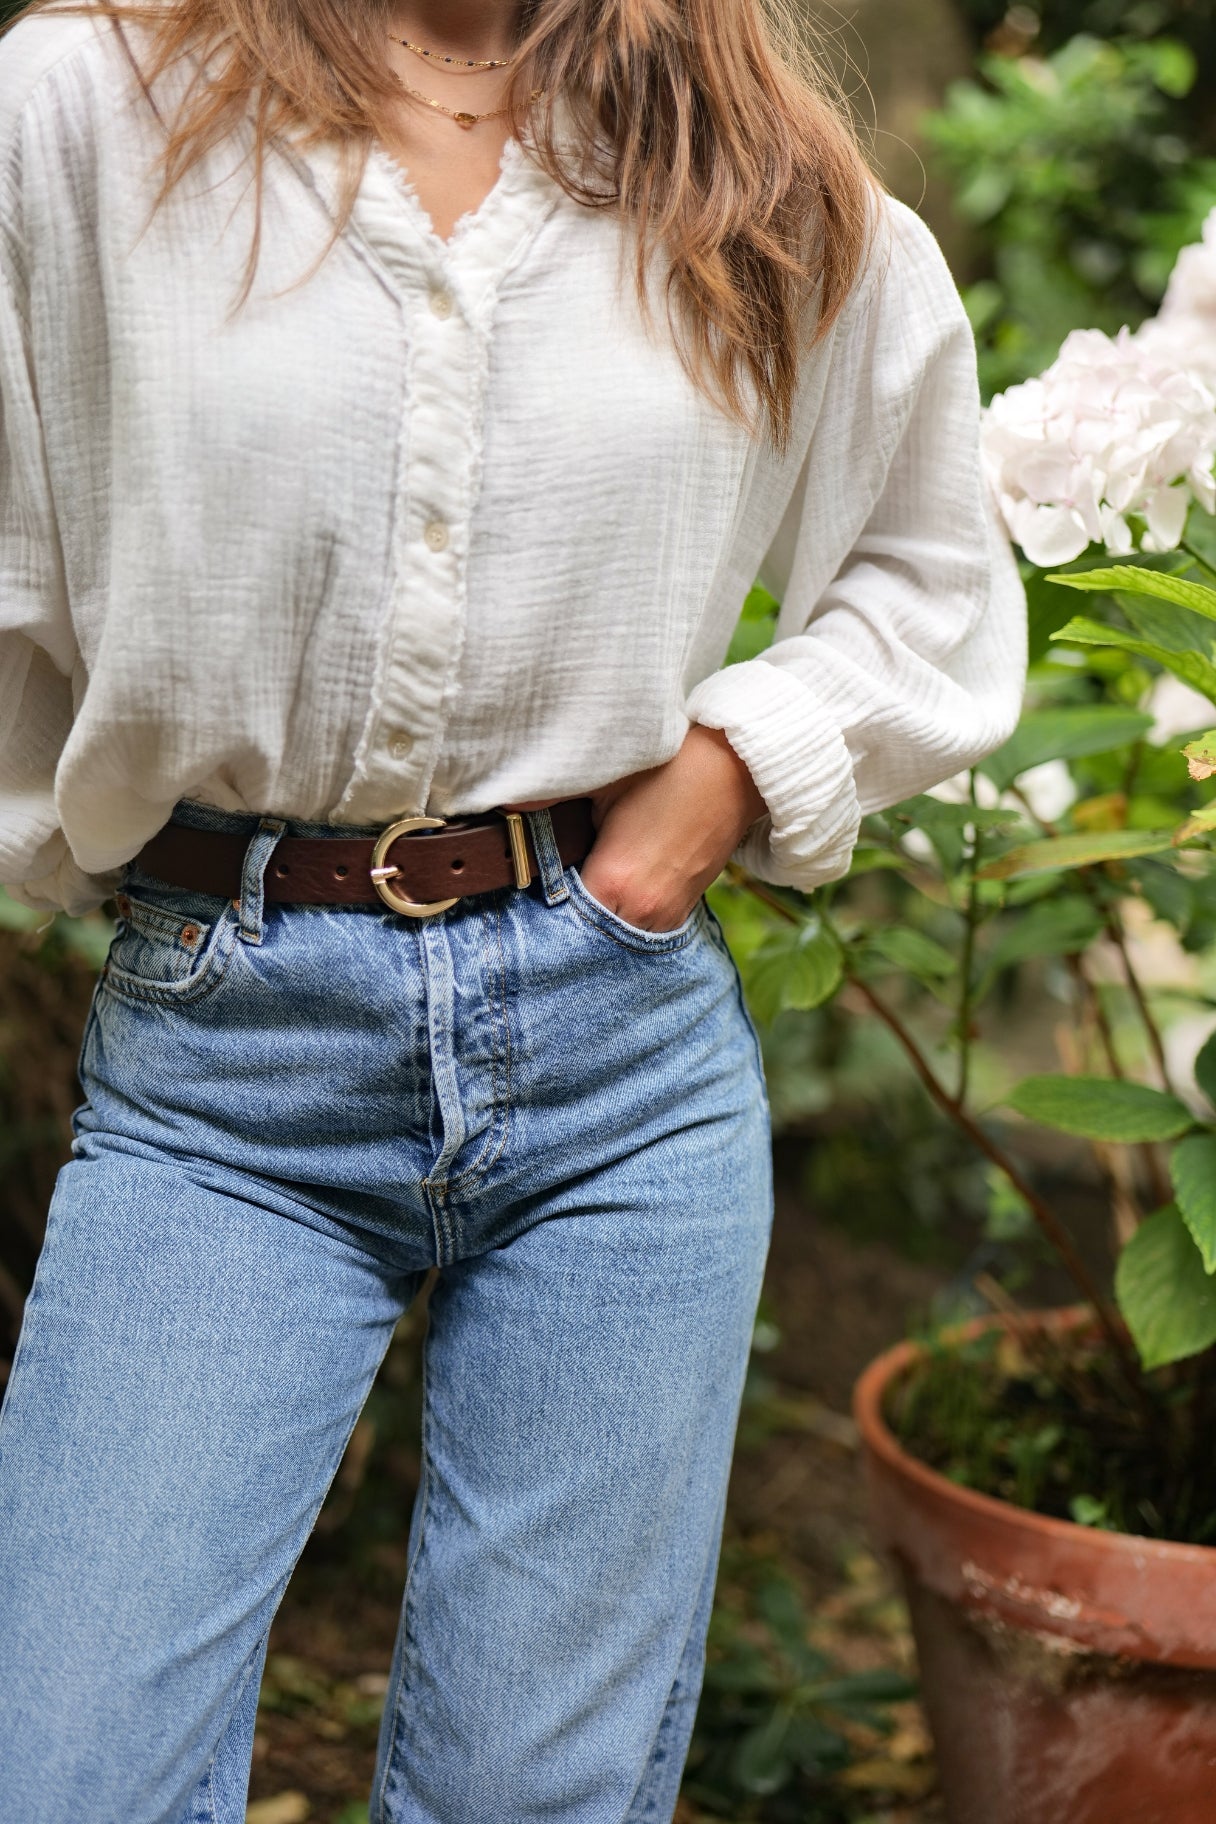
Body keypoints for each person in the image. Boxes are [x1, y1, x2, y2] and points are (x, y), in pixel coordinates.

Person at [0, 0, 1026, 1818]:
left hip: (618, 1056)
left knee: (530, 1794)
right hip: (228, 1058)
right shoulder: (93, 104)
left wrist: (724, 777)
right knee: (65, 1768)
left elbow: (931, 561)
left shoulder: (745, 153)